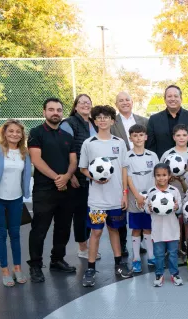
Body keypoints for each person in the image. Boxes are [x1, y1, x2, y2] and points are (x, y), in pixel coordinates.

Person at [78, 105, 131, 287]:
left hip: (116, 199)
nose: (102, 120)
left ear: (112, 121)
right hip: (97, 201)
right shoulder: (89, 143)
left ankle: (118, 264)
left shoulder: (119, 143)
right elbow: (83, 168)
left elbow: (124, 168)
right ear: (94, 121)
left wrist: (124, 194)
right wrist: (94, 177)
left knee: (114, 230)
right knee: (96, 232)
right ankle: (91, 268)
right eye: (98, 117)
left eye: (106, 117)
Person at [27, 98, 78, 283]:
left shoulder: (67, 137)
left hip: (65, 190)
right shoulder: (36, 133)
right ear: (44, 112)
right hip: (44, 190)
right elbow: (36, 160)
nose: (55, 112)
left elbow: (73, 161)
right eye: (51, 109)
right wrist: (57, 178)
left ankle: (57, 260)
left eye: (58, 109)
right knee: (39, 229)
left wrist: (66, 176)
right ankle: (35, 265)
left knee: (63, 228)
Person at [0, 119, 32, 287]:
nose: (14, 134)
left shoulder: (24, 152)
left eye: (18, 132)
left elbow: (25, 174)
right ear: (5, 133)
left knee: (15, 234)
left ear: (22, 135)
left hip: (16, 200)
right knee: (1, 234)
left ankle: (17, 268)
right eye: (11, 131)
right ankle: (5, 270)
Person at [60, 94, 102, 261]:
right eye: (81, 102)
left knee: (90, 212)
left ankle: (91, 246)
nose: (85, 105)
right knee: (80, 213)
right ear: (75, 107)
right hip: (77, 177)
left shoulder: (93, 123)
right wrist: (70, 176)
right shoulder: (69, 123)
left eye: (88, 102)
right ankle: (82, 247)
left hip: (93, 178)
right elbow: (63, 151)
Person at [125, 123, 158, 273]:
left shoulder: (152, 155)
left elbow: (157, 176)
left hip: (150, 197)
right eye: (135, 135)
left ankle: (151, 256)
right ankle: (136, 258)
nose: (138, 138)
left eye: (141, 135)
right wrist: (137, 195)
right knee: (136, 228)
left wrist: (151, 196)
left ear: (146, 137)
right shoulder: (127, 156)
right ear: (131, 138)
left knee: (148, 228)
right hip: (135, 197)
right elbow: (128, 178)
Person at [145, 163, 183, 287]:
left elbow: (180, 208)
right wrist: (149, 208)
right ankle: (159, 274)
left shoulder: (174, 191)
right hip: (157, 230)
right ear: (154, 176)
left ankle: (174, 273)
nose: (161, 178)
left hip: (172, 229)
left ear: (169, 176)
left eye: (164, 175)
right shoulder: (151, 192)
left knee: (173, 253)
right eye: (158, 175)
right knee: (159, 254)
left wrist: (177, 207)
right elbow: (146, 209)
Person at [160, 124, 188, 265]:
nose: (181, 138)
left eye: (184, 135)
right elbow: (159, 173)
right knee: (175, 225)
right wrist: (168, 178)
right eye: (178, 135)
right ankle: (177, 250)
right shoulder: (167, 154)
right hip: (171, 196)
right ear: (173, 137)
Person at [146, 85, 188, 159]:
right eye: (169, 96)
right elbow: (150, 146)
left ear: (181, 98)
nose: (173, 99)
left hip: (187, 165)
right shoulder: (154, 119)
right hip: (163, 165)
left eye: (176, 96)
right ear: (165, 99)